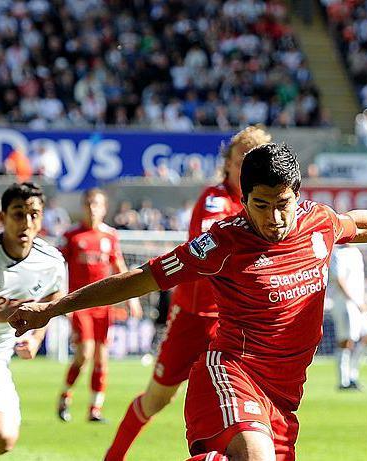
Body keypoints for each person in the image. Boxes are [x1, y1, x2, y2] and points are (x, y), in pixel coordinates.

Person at [8, 143, 367, 461]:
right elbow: (142, 279)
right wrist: (53, 308)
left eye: (283, 203)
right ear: (242, 200)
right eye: (261, 205)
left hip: (284, 395)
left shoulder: (319, 223)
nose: (274, 217)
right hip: (232, 375)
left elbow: (362, 225)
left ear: (297, 196)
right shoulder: (223, 242)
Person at [104, 125, 272, 460]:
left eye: (254, 161)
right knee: (157, 399)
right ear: (227, 164)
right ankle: (113, 457)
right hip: (195, 318)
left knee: (244, 405)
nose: (246, 168)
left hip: (235, 323)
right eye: (241, 160)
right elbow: (212, 244)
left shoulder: (265, 203)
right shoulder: (215, 200)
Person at [57, 188, 142, 423]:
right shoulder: (72, 236)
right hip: (79, 303)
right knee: (84, 353)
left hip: (104, 305)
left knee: (101, 357)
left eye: (96, 204)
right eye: (88, 204)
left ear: (104, 208)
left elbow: (119, 267)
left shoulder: (110, 236)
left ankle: (95, 408)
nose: (92, 209)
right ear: (83, 207)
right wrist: (59, 298)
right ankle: (65, 395)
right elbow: (58, 267)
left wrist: (132, 298)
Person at [0, 182, 66, 454]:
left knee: (4, 438)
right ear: (2, 217)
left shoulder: (51, 262)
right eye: (18, 214)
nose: (26, 223)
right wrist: (4, 314)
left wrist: (36, 337)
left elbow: (55, 299)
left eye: (33, 214)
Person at [328, 244, 367, 391]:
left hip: (360, 303)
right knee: (346, 341)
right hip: (344, 303)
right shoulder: (337, 253)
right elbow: (339, 281)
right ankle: (343, 381)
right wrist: (355, 301)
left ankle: (352, 375)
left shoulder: (356, 251)